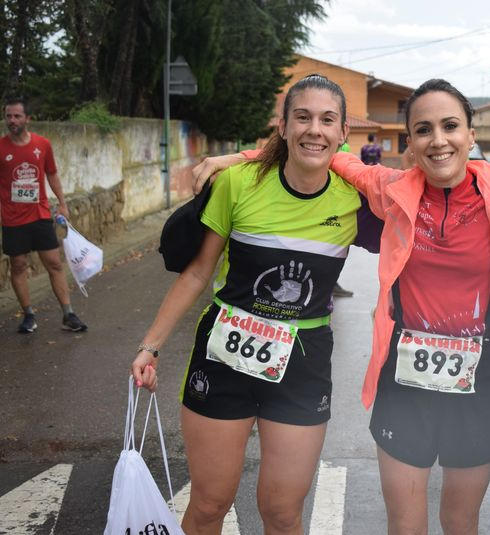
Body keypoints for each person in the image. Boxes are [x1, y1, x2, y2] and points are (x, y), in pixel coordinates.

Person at [192, 79, 490, 534]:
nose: (438, 140)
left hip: (478, 386)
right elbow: (320, 151)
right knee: (406, 526)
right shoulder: (391, 188)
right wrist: (240, 157)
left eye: (450, 126)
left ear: (470, 136)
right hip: (404, 386)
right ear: (411, 143)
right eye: (423, 130)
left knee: (460, 523)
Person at [130, 74, 378, 535]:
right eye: (302, 117)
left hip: (302, 364)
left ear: (343, 132)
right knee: (209, 504)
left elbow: (421, 212)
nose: (314, 130)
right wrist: (151, 345)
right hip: (224, 355)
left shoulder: (355, 201)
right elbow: (198, 273)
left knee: (282, 513)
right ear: (282, 126)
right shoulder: (238, 183)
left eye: (327, 120)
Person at [0, 97, 87, 333]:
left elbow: (52, 174)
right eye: (8, 116)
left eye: (17, 116)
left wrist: (62, 203)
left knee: (54, 263)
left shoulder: (42, 144)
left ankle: (68, 314)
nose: (12, 120)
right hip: (12, 219)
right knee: (18, 266)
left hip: (39, 215)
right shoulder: (1, 147)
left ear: (27, 118)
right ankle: (28, 315)